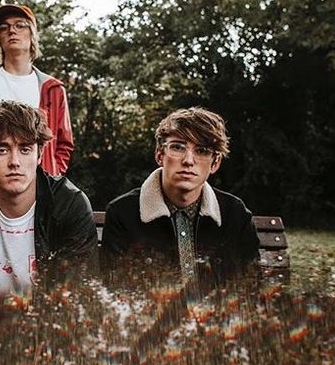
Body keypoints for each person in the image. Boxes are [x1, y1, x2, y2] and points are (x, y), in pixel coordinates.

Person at [0, 101, 96, 296]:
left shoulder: (69, 206)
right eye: (2, 150)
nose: (14, 162)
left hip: (47, 322)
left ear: (39, 155)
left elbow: (75, 295)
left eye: (25, 149)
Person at [102, 107, 259, 286]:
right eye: (177, 147)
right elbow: (115, 289)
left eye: (201, 150)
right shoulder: (122, 213)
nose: (188, 161)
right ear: (160, 155)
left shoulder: (236, 215)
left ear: (215, 163)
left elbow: (250, 289)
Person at [0, 4, 74, 189]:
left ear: (32, 35)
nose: (11, 31)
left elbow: (64, 144)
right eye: (4, 27)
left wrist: (53, 172)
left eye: (20, 25)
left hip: (35, 188)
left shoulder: (53, 89)